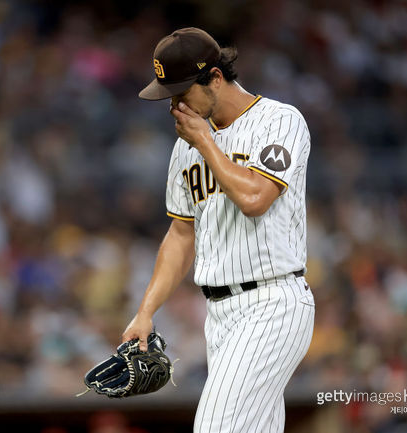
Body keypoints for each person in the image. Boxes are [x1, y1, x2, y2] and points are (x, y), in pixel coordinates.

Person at [122, 28, 315, 433]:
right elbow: (180, 235)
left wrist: (206, 143)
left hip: (273, 302)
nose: (175, 105)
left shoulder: (279, 121)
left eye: (181, 91)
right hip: (220, 314)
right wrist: (145, 311)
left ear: (214, 77)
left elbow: (255, 198)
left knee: (215, 426)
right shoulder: (186, 144)